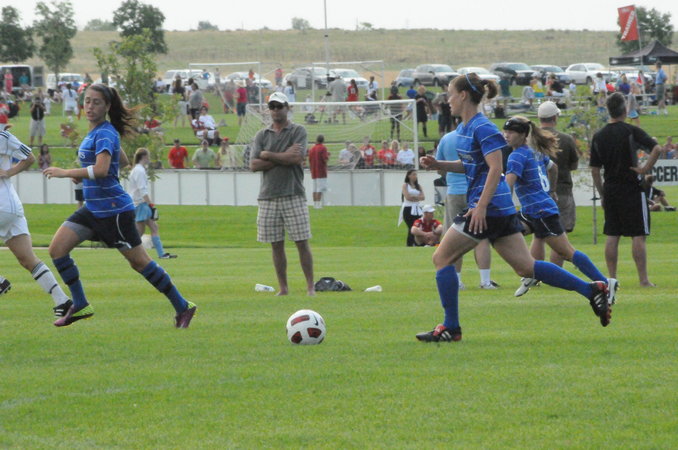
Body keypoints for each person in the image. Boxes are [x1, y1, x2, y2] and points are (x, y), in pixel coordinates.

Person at [416, 73, 616, 343]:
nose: (447, 100)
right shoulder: (465, 128)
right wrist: (440, 165)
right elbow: (474, 165)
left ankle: (451, 327)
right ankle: (591, 290)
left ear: (463, 95)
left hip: (488, 207)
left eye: (450, 94)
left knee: (441, 258)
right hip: (498, 207)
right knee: (525, 267)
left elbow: (496, 167)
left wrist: (481, 207)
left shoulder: (482, 127)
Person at [42, 84, 196, 328]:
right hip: (93, 208)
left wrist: (67, 172)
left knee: (140, 262)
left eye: (96, 102)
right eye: (87, 101)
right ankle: (80, 304)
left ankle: (182, 305)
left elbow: (102, 169)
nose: (90, 106)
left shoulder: (104, 132)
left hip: (114, 211)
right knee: (57, 249)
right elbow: (121, 160)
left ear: (107, 106)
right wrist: (85, 175)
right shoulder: (99, 132)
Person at [502, 116, 615, 299]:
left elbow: (508, 185)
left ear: (523, 135)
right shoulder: (533, 151)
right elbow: (553, 168)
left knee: (566, 252)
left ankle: (605, 283)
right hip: (532, 210)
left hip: (540, 211)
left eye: (511, 132)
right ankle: (530, 272)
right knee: (506, 233)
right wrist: (552, 191)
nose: (506, 135)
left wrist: (498, 204)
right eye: (505, 131)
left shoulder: (516, 156)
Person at [590, 92, 664, 287]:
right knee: (638, 234)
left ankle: (612, 278)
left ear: (608, 110)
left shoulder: (599, 136)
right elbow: (657, 149)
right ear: (624, 110)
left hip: (611, 188)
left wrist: (602, 194)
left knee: (612, 234)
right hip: (632, 187)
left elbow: (595, 170)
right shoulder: (631, 131)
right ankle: (643, 279)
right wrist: (645, 169)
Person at [0, 129, 72, 317]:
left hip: (2, 205)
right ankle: (62, 300)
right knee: (27, 259)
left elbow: (29, 157)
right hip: (11, 207)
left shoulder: (2, 137)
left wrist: (8, 172)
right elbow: (29, 157)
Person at [249, 91, 315, 296]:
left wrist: (268, 155)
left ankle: (310, 287)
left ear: (287, 108)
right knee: (276, 245)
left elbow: (296, 158)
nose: (276, 110)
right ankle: (283, 288)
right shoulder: (261, 135)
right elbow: (253, 165)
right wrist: (283, 156)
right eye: (272, 107)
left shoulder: (298, 130)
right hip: (268, 196)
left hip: (293, 193)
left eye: (279, 106)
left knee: (302, 242)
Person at [435, 125, 497, 290]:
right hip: (476, 191)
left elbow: (439, 168)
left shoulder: (446, 139)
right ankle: (485, 280)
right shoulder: (476, 137)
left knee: (452, 238)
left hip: (454, 191)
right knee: (481, 236)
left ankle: (457, 281)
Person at [536, 101, 581, 267]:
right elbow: (574, 165)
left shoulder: (531, 139)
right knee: (559, 234)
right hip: (561, 190)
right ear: (555, 117)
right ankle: (556, 273)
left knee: (539, 235)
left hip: (536, 193)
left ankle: (534, 274)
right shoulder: (566, 139)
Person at [128, 147, 177, 260]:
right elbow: (142, 190)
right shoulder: (139, 171)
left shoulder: (137, 169)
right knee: (143, 230)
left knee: (149, 228)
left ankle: (159, 253)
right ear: (144, 157)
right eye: (148, 156)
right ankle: (133, 253)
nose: (149, 159)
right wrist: (150, 205)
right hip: (140, 203)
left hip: (138, 203)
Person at [399, 169, 425, 246]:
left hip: (417, 209)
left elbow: (423, 197)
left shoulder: (418, 186)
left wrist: (414, 197)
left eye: (416, 175)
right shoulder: (405, 185)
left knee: (418, 226)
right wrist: (417, 197)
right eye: (413, 174)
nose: (415, 176)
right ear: (409, 176)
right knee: (411, 227)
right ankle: (410, 244)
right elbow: (407, 197)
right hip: (408, 208)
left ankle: (418, 243)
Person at [308, 134, 329, 209]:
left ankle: (314, 204)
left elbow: (309, 159)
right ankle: (318, 205)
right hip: (321, 171)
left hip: (314, 171)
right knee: (320, 188)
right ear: (323, 140)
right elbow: (325, 159)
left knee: (314, 188)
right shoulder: (323, 148)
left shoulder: (312, 148)